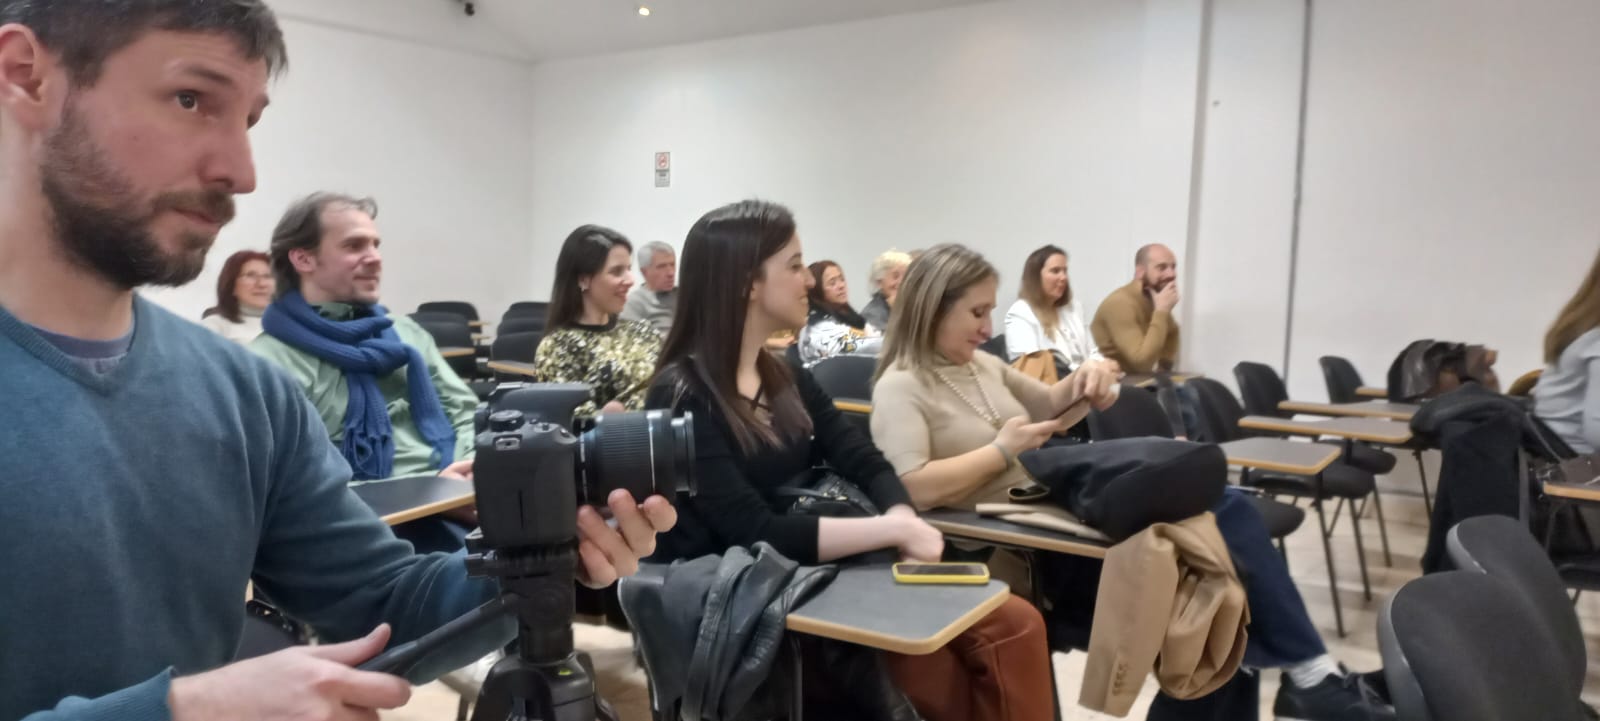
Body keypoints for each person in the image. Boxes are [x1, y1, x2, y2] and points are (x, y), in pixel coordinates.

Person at [0, 5, 674, 720]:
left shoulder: (242, 391)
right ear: (25, 76)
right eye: (190, 100)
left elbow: (384, 603)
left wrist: (539, 554)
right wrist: (186, 710)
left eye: (249, 121)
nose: (240, 172)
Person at [871, 244, 1393, 721]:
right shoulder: (901, 387)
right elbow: (911, 489)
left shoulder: (980, 365)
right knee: (1219, 571)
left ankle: (1311, 677)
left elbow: (1050, 404)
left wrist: (1086, 378)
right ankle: (1312, 677)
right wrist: (1001, 451)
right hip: (1024, 547)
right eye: (977, 313)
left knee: (1225, 575)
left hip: (1055, 508)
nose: (988, 327)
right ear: (933, 308)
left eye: (990, 311)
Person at [646, 201, 1053, 721]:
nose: (807, 281)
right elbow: (753, 530)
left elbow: (861, 457)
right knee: (952, 671)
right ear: (748, 283)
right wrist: (892, 529)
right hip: (750, 601)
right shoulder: (682, 394)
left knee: (1016, 623)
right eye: (795, 265)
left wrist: (902, 516)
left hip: (819, 570)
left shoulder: (783, 374)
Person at [252, 192, 485, 552]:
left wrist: (465, 471)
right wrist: (432, 489)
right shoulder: (269, 362)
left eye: (375, 245)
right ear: (303, 258)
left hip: (455, 496)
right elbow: (291, 482)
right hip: (359, 528)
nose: (375, 258)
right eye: (354, 245)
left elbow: (464, 410)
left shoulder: (405, 333)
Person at [535, 224, 664, 416]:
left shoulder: (644, 331)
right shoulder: (558, 347)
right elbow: (573, 423)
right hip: (628, 434)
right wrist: (607, 418)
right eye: (617, 271)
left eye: (629, 269)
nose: (630, 280)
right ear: (583, 279)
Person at [1004, 245, 1109, 372]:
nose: (1063, 277)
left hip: (1088, 379)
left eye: (1065, 271)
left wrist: (1102, 366)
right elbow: (1032, 369)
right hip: (1052, 383)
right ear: (1036, 277)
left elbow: (1092, 351)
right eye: (1055, 271)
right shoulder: (1020, 313)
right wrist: (1085, 371)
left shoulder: (1074, 307)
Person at [1536, 248, 1600, 453]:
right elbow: (1597, 432)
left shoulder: (1585, 325)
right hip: (1574, 463)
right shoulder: (1596, 340)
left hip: (1548, 454)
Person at [1092, 243, 1181, 373]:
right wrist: (1161, 311)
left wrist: (1164, 368)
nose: (1171, 274)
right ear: (1140, 272)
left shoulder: (1152, 298)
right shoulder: (1120, 303)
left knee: (1202, 383)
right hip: (1111, 380)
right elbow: (1141, 363)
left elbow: (1172, 333)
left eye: (1173, 267)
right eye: (1161, 267)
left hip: (1136, 379)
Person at [799, 259, 882, 365]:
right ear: (817, 290)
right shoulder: (817, 325)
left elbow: (873, 337)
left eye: (842, 279)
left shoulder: (849, 315)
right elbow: (856, 347)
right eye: (832, 283)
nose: (841, 286)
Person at [200, 249, 273, 344]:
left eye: (268, 276)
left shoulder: (286, 324)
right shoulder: (215, 325)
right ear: (231, 285)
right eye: (250, 275)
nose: (261, 284)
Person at [620, 239, 676, 336]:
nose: (671, 273)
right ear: (644, 272)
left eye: (672, 265)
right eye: (662, 266)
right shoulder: (634, 304)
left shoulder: (683, 295)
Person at [859, 248, 911, 331]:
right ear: (879, 282)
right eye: (895, 276)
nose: (902, 281)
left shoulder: (910, 307)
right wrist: (897, 313)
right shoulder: (872, 315)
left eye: (906, 276)